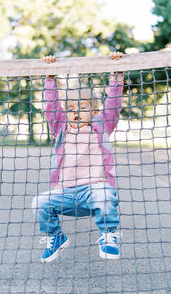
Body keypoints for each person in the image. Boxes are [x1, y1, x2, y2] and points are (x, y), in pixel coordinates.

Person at [32, 52, 124, 263]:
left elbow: (113, 104)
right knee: (39, 203)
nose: (75, 112)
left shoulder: (101, 126)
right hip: (66, 194)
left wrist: (117, 77)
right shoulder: (61, 128)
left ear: (94, 109)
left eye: (82, 107)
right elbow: (51, 107)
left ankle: (108, 236)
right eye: (71, 108)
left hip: (94, 191)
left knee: (107, 195)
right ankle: (56, 236)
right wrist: (50, 77)